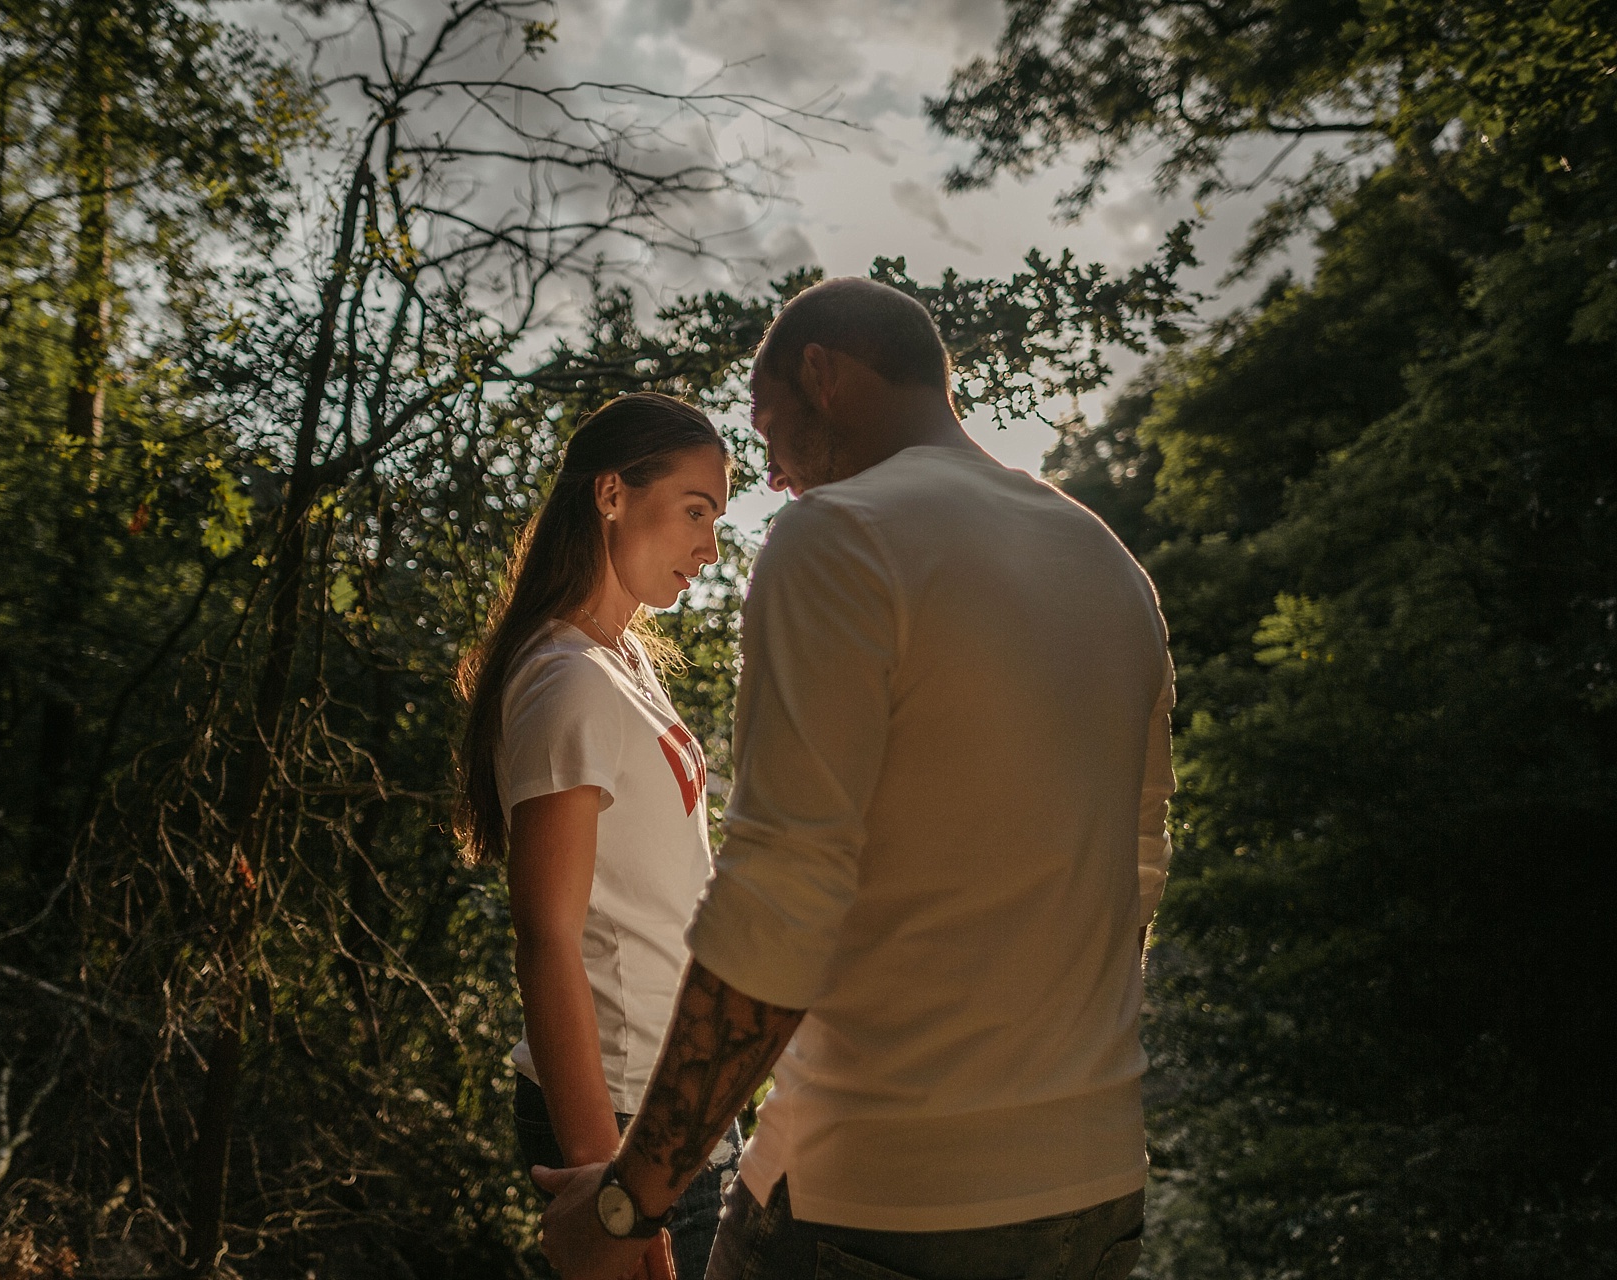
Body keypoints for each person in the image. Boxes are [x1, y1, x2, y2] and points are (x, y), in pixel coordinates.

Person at [532, 278, 1177, 1280]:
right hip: (1092, 1192)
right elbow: (1134, 884)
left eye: (769, 423)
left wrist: (628, 1198)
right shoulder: (1108, 561)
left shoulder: (838, 537)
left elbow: (779, 901)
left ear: (823, 374)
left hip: (878, 1201)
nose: (778, 478)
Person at [456, 392, 746, 1280]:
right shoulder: (566, 678)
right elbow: (546, 938)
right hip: (621, 1114)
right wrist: (603, 1190)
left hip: (676, 1097)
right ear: (612, 494)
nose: (710, 546)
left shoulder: (615, 661)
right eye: (695, 511)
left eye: (718, 520)